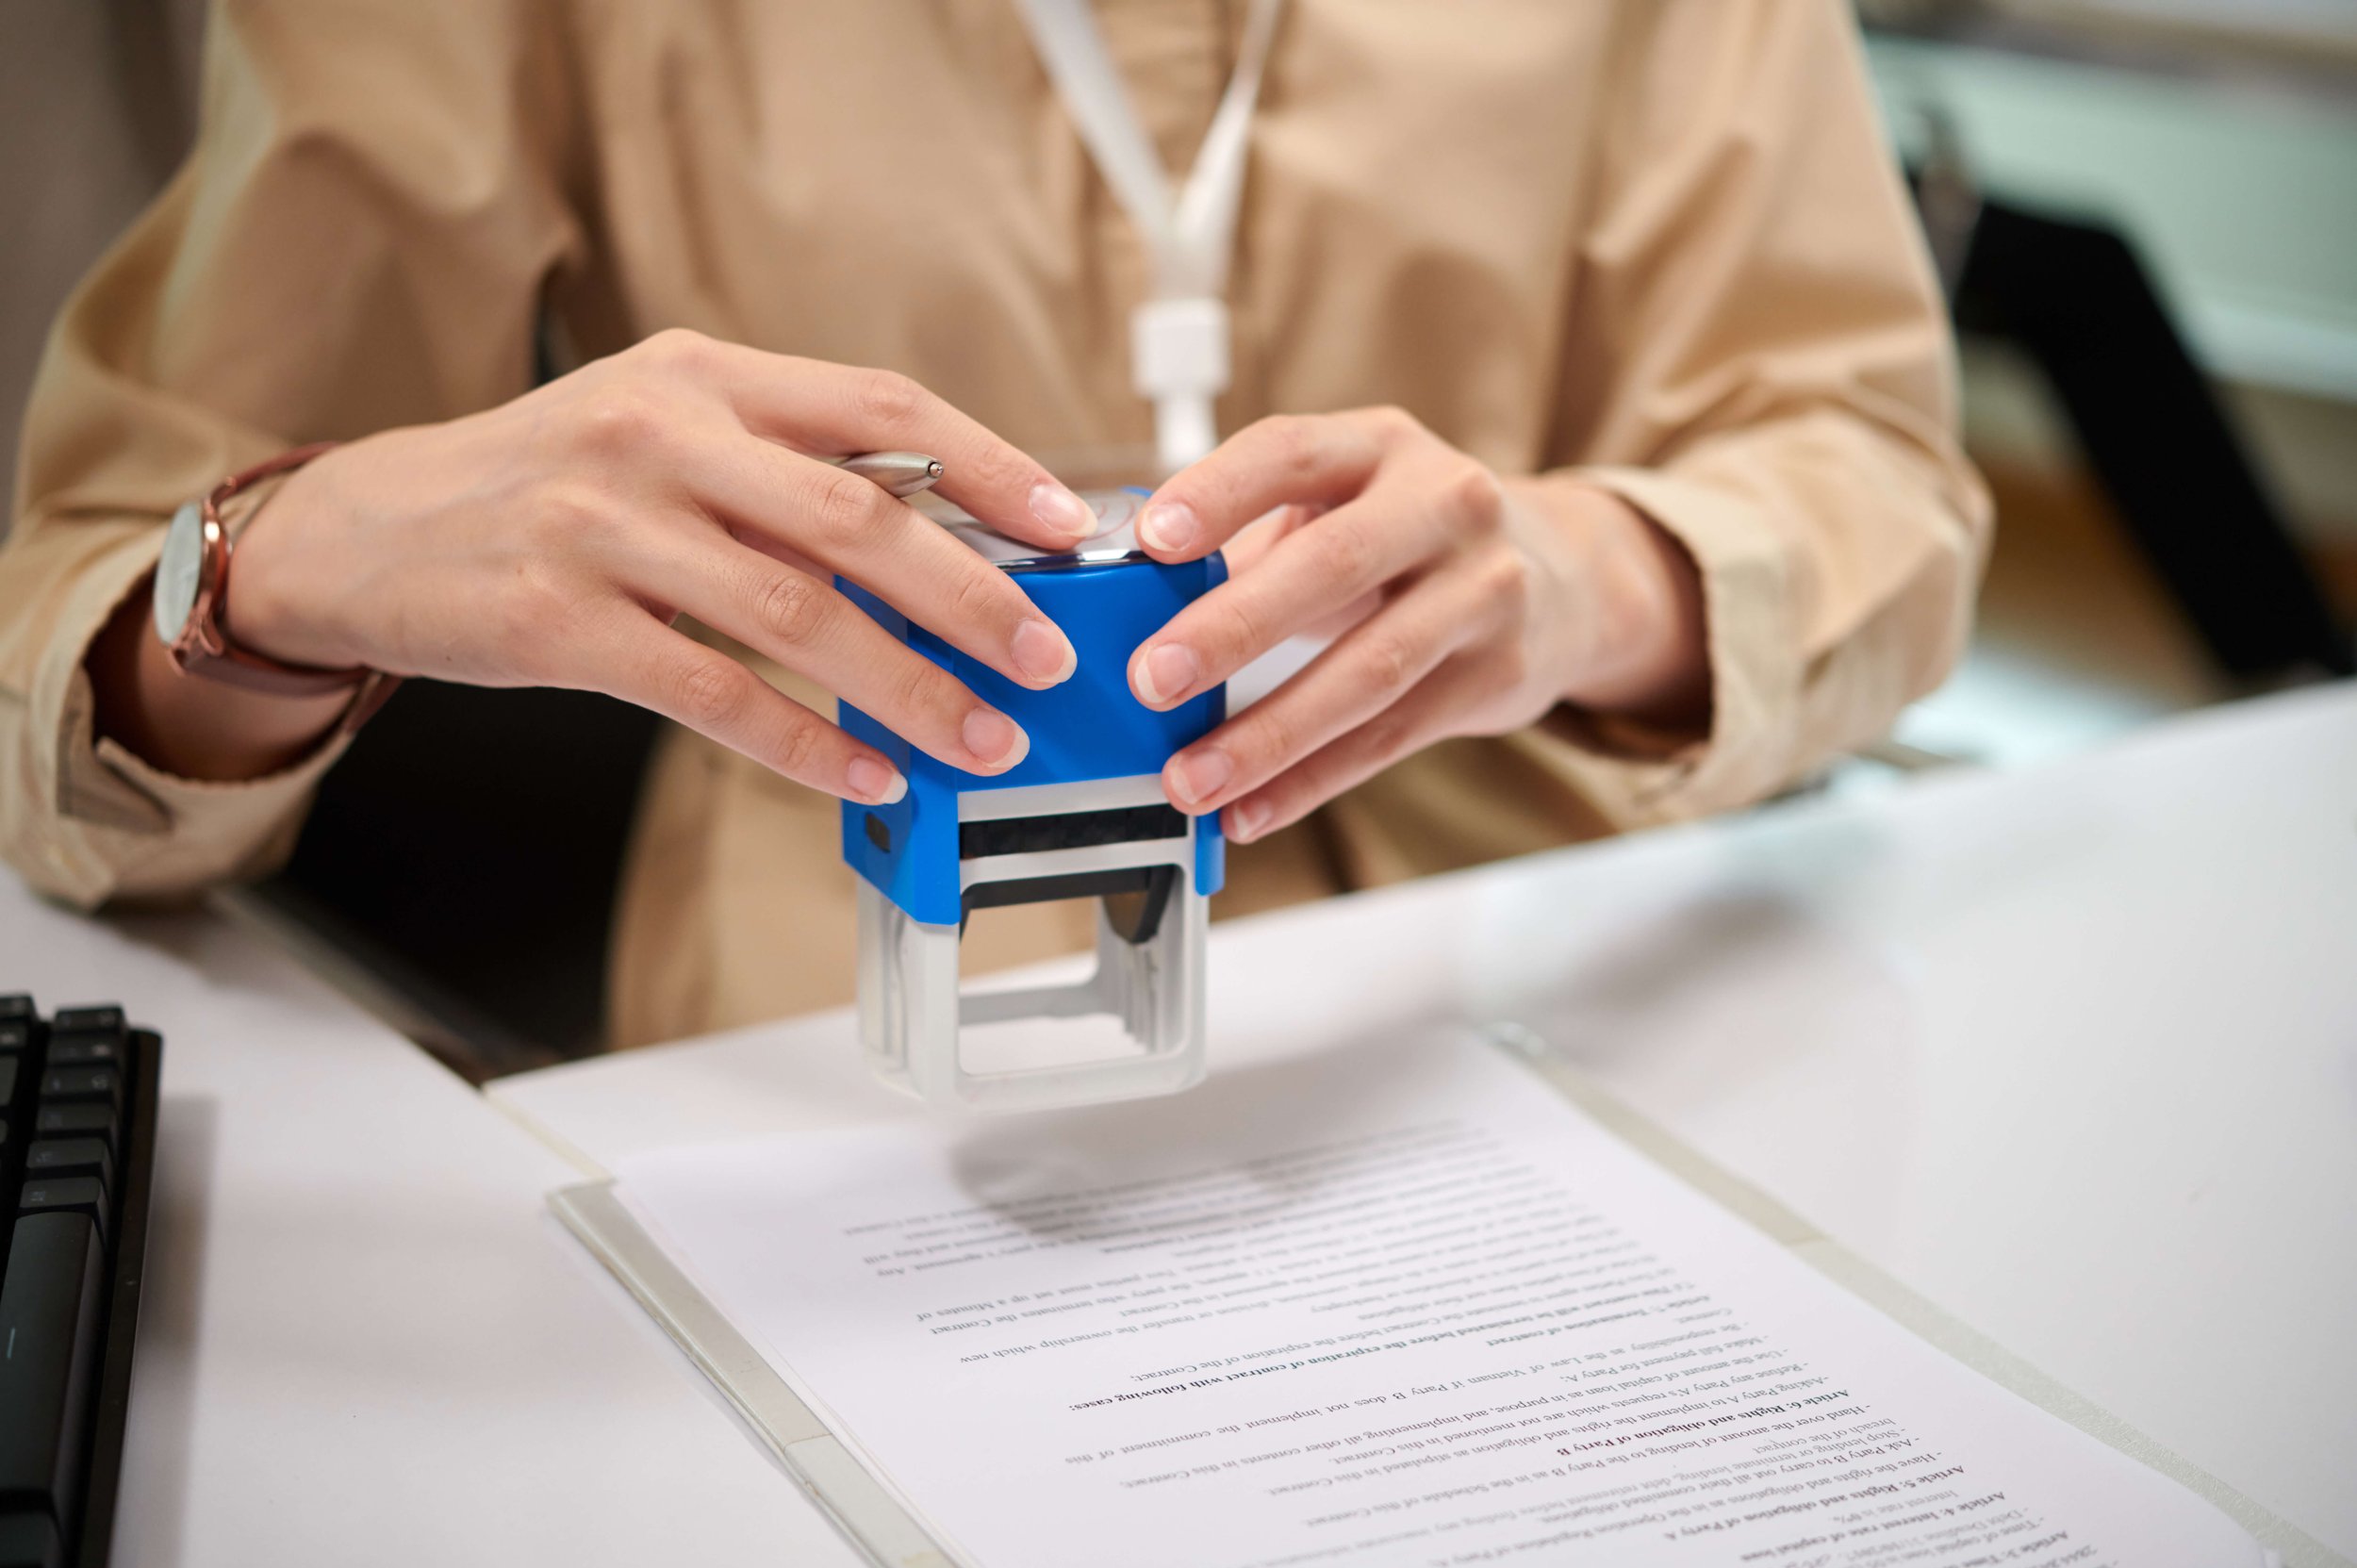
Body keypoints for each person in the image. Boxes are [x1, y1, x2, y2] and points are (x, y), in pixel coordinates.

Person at [0, 1, 1988, 1048]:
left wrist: (1585, 581)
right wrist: (271, 578)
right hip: (836, 1047)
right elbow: (72, 677)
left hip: (1547, 996)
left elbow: (1874, 471)